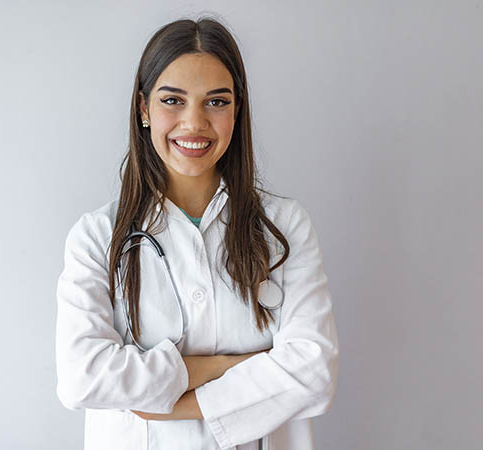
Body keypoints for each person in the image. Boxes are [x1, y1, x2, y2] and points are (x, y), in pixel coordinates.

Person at [55, 16, 339, 450]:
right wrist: (234, 365)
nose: (194, 123)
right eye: (173, 100)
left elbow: (315, 372)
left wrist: (174, 401)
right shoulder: (96, 238)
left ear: (237, 109)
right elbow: (82, 379)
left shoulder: (284, 228)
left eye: (216, 102)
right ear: (143, 108)